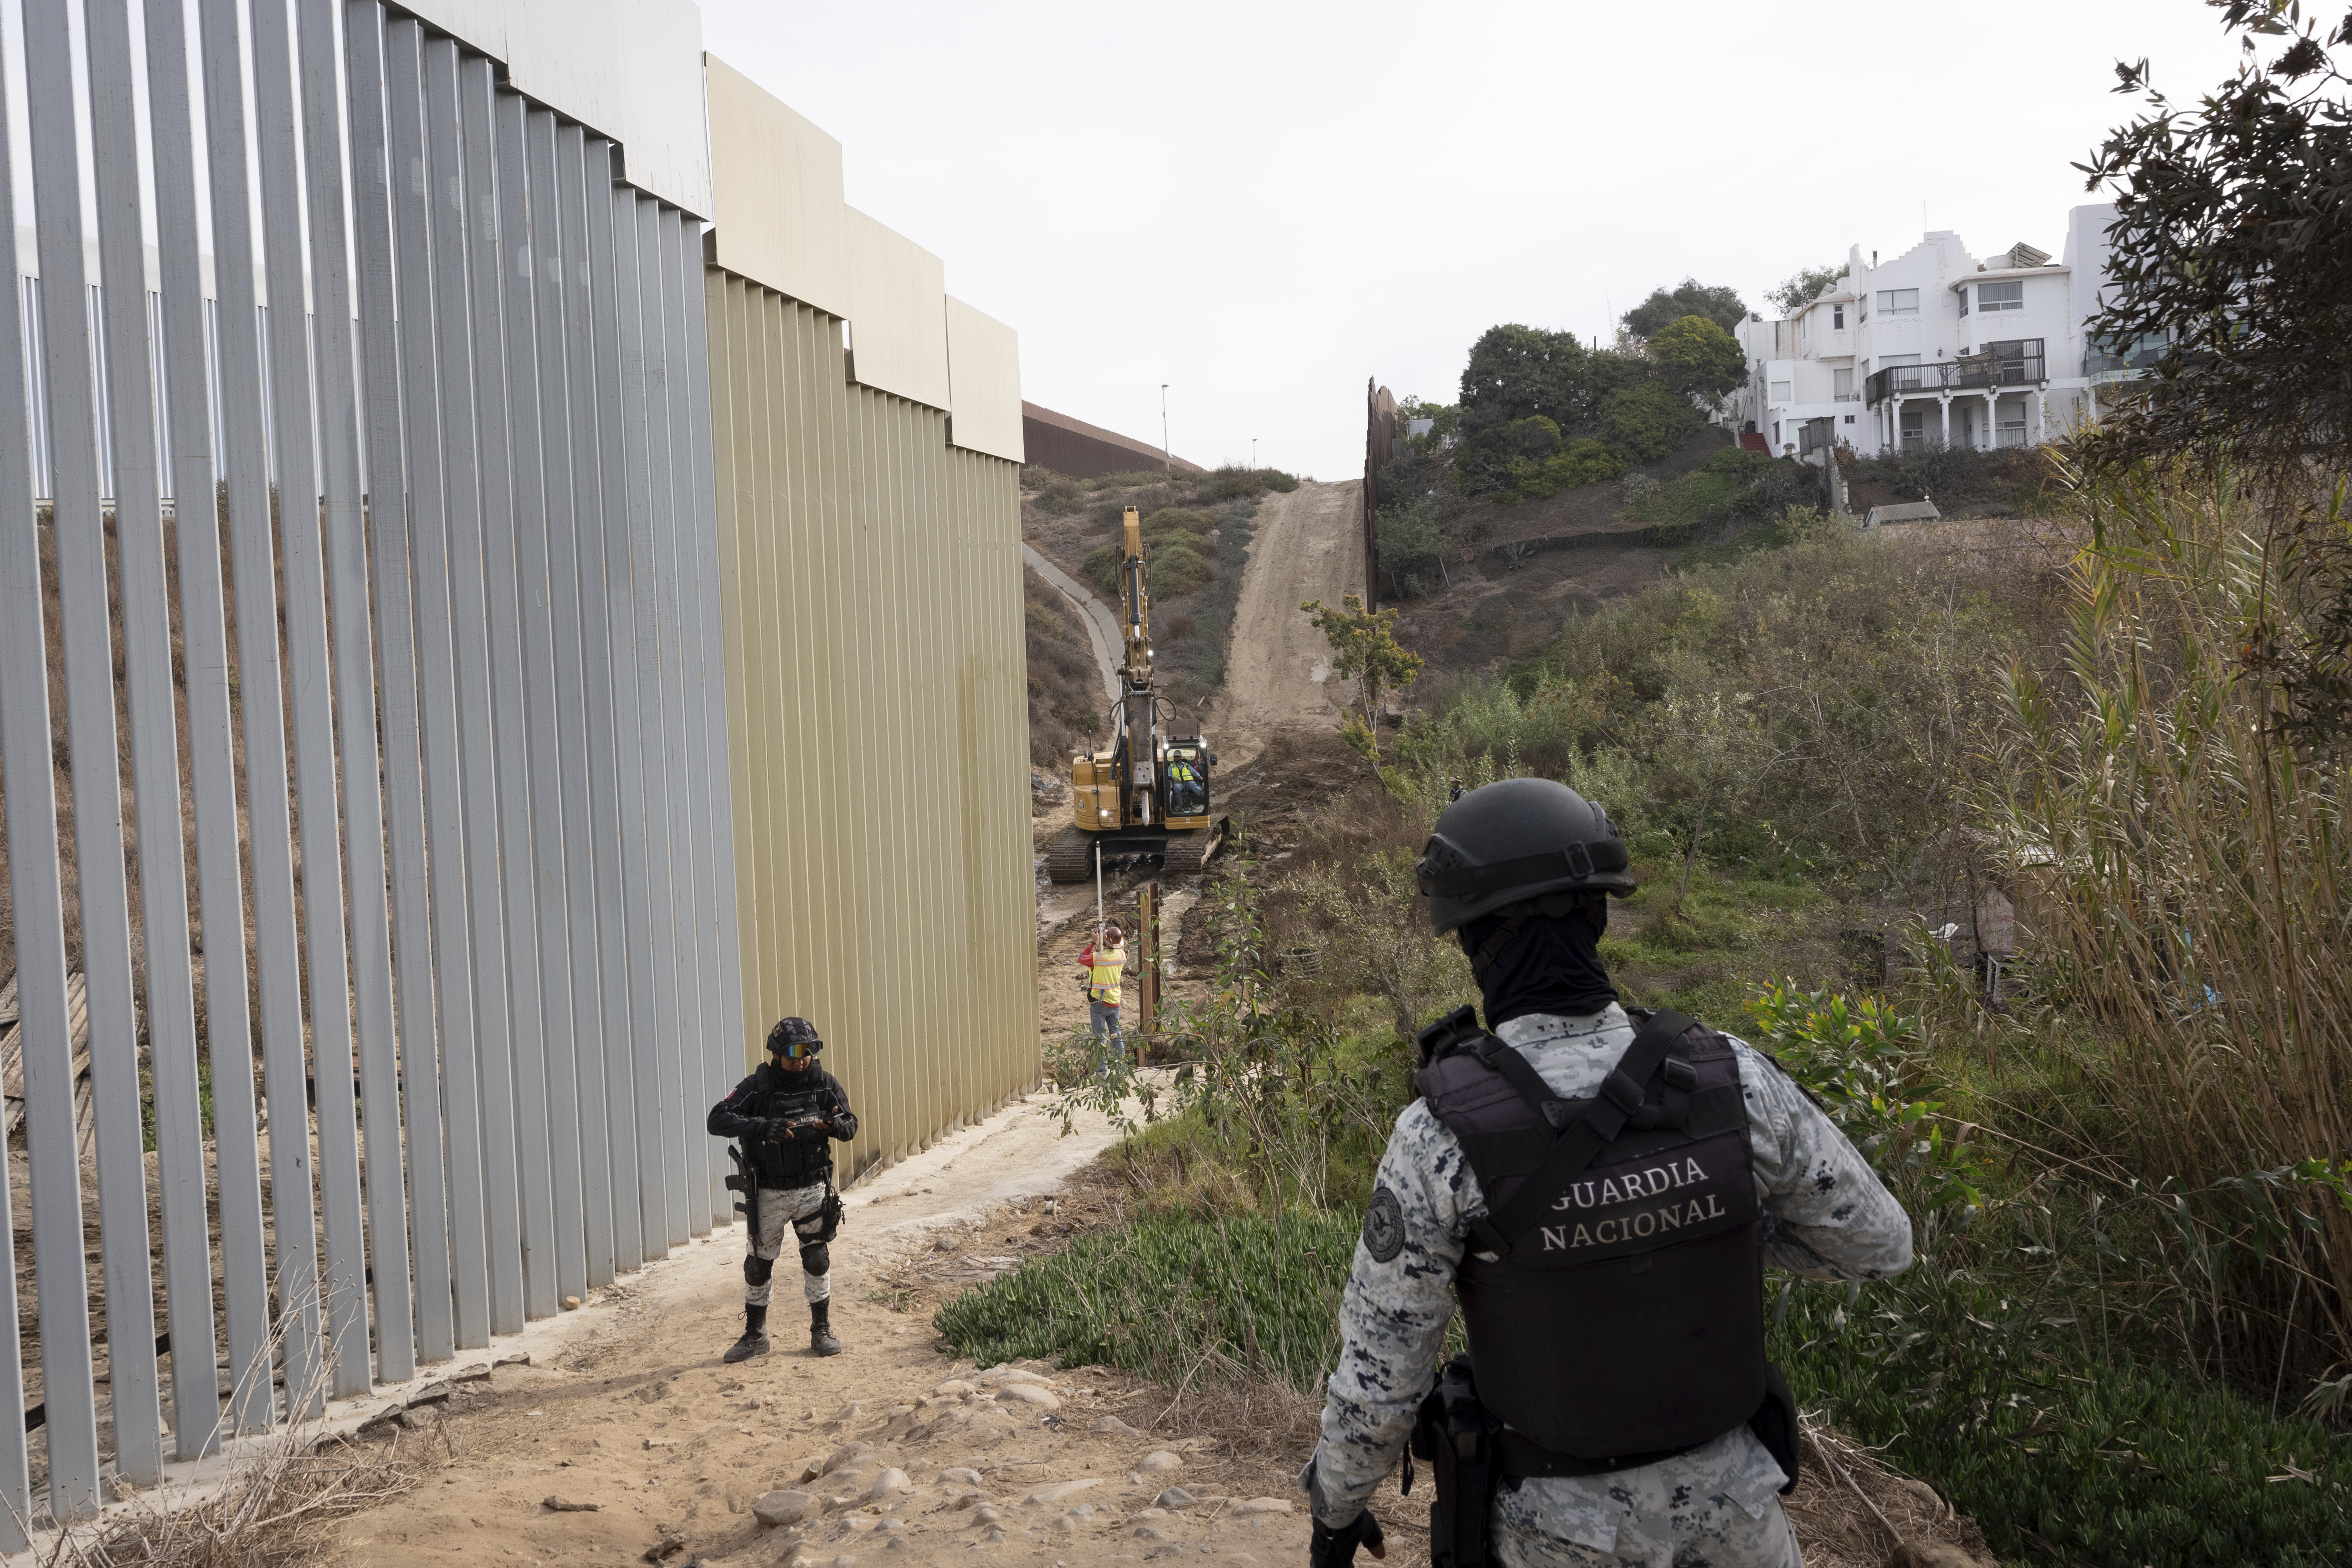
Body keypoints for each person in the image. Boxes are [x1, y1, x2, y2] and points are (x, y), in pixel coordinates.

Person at [1301, 777, 1914, 1568]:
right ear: (1596, 914)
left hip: (1558, 1537)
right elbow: (1878, 1243)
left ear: (1470, 940)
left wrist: (1336, 1510)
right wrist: (1700, 1225)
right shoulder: (1732, 1077)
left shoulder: (1439, 1137)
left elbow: (1382, 1372)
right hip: (1740, 1523)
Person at [707, 1016, 859, 1362]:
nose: (802, 1059)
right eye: (793, 1052)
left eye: (809, 1051)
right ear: (776, 1053)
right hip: (768, 1193)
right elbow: (717, 1119)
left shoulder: (825, 1084)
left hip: (812, 1189)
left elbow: (851, 1125)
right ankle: (755, 1335)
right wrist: (763, 1127)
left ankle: (821, 1330)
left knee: (817, 1258)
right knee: (758, 1265)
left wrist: (834, 1124)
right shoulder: (756, 1087)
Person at [1077, 925, 1127, 1059]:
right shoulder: (1122, 955)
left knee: (1100, 1039)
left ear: (1105, 942)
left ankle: (1101, 1074)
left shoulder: (1098, 958)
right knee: (1116, 1036)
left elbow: (1082, 958)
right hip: (1115, 1002)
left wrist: (1094, 942)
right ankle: (1121, 1069)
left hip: (1099, 1003)